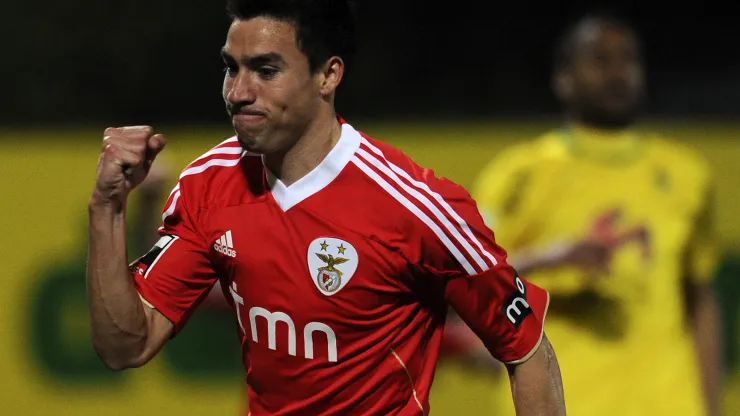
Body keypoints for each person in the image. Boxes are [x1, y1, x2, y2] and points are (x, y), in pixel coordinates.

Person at [85, 1, 566, 415]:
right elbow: (127, 343)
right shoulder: (207, 185)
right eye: (232, 68)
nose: (238, 92)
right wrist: (107, 207)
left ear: (328, 75)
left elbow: (527, 350)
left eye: (266, 70)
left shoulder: (417, 207)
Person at [448, 13, 722, 416]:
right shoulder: (520, 174)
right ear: (563, 78)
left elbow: (699, 301)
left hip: (669, 402)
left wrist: (712, 406)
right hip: (562, 402)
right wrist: (554, 256)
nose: (617, 71)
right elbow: (460, 287)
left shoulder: (688, 174)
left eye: (628, 58)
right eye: (598, 59)